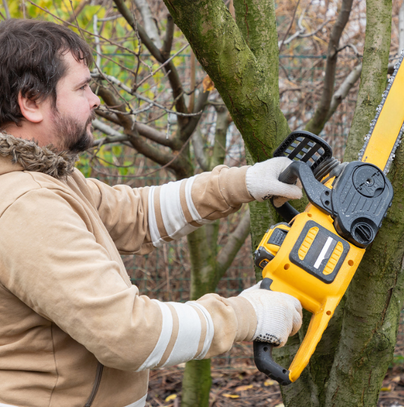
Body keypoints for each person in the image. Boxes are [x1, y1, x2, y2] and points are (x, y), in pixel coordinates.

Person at [0, 19, 303, 407]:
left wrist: (243, 183)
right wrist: (246, 315)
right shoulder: (26, 205)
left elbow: (137, 214)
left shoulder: (46, 177)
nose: (95, 100)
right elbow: (127, 334)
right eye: (81, 88)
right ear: (30, 102)